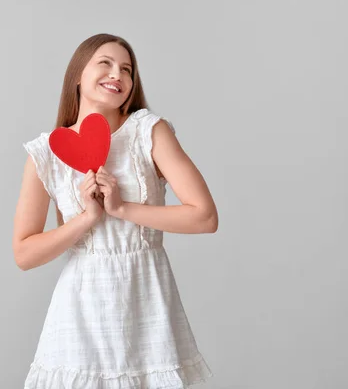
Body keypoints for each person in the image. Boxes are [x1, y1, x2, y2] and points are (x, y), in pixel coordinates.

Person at [13, 33, 218, 389]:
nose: (118, 75)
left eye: (127, 69)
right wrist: (87, 219)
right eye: (105, 63)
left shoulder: (149, 132)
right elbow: (24, 254)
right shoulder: (46, 152)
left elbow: (204, 216)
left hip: (147, 299)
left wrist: (122, 208)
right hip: (80, 312)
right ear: (78, 74)